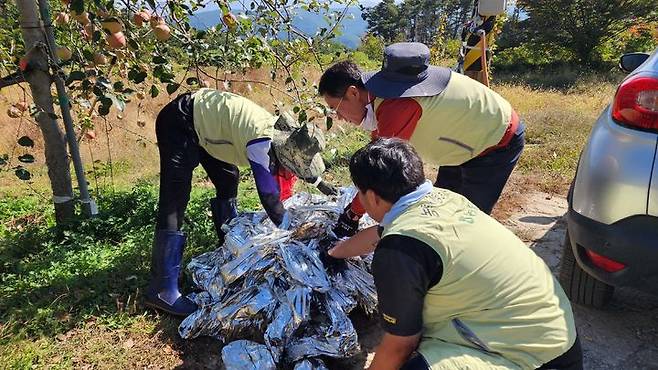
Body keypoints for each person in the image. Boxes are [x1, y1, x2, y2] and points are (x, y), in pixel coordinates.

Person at [329, 138, 581, 370]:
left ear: (371, 196)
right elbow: (379, 233)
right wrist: (334, 252)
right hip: (555, 335)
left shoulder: (399, 250)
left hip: (532, 359)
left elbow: (400, 344)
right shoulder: (442, 199)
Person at [146, 88, 336, 316]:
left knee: (228, 178)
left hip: (208, 127)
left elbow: (298, 157)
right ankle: (162, 289)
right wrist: (292, 234)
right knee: (175, 196)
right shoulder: (261, 143)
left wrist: (320, 183)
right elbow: (269, 196)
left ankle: (228, 243)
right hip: (181, 121)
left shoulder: (284, 138)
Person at [319, 42, 525, 238]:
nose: (339, 118)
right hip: (463, 142)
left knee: (465, 221)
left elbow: (382, 173)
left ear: (353, 93)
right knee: (441, 209)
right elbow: (379, 147)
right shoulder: (386, 94)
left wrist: (353, 214)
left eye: (336, 109)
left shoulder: (399, 104)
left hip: (496, 141)